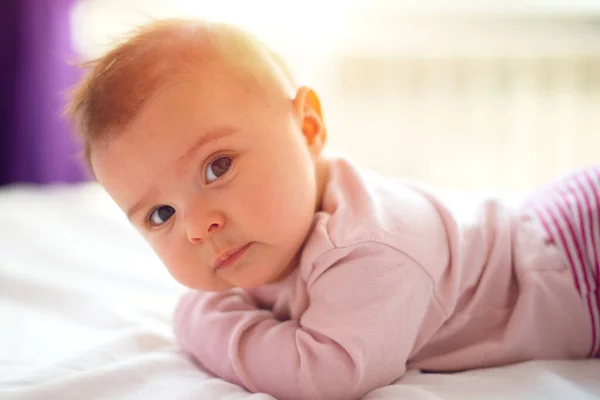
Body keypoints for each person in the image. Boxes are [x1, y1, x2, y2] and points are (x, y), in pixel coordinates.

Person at [65, 18, 599, 400]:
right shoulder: (267, 236)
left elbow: (326, 375)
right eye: (161, 215)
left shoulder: (368, 248)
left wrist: (200, 318)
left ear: (308, 129)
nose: (200, 227)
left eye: (217, 167)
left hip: (580, 264)